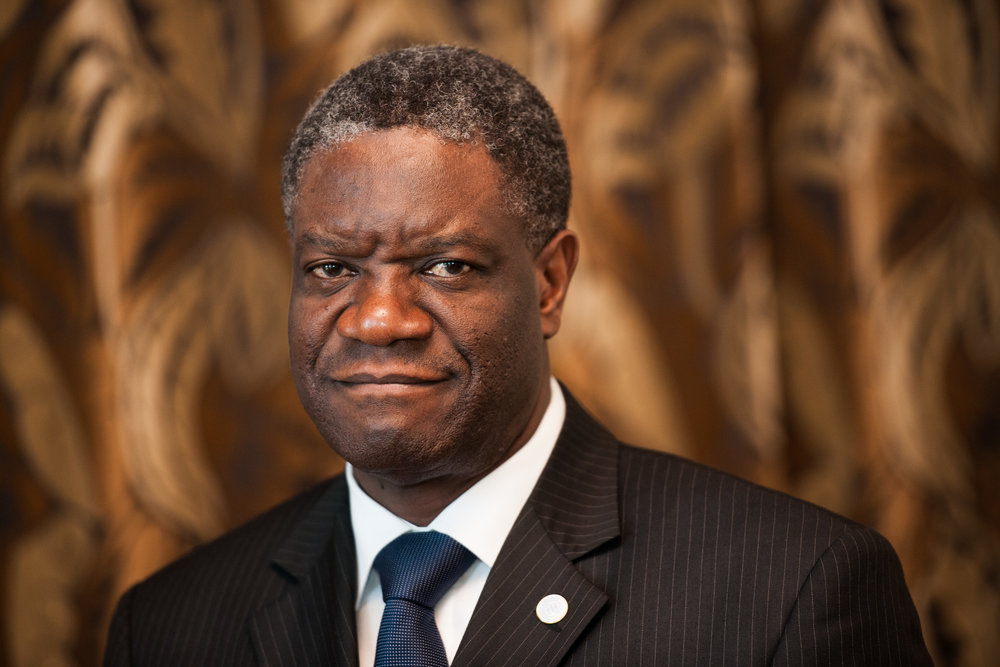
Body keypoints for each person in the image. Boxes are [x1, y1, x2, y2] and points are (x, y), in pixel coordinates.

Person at [104, 45, 932, 666]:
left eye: (445, 266)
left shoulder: (791, 589)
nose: (379, 319)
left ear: (548, 282)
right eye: (332, 269)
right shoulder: (171, 625)